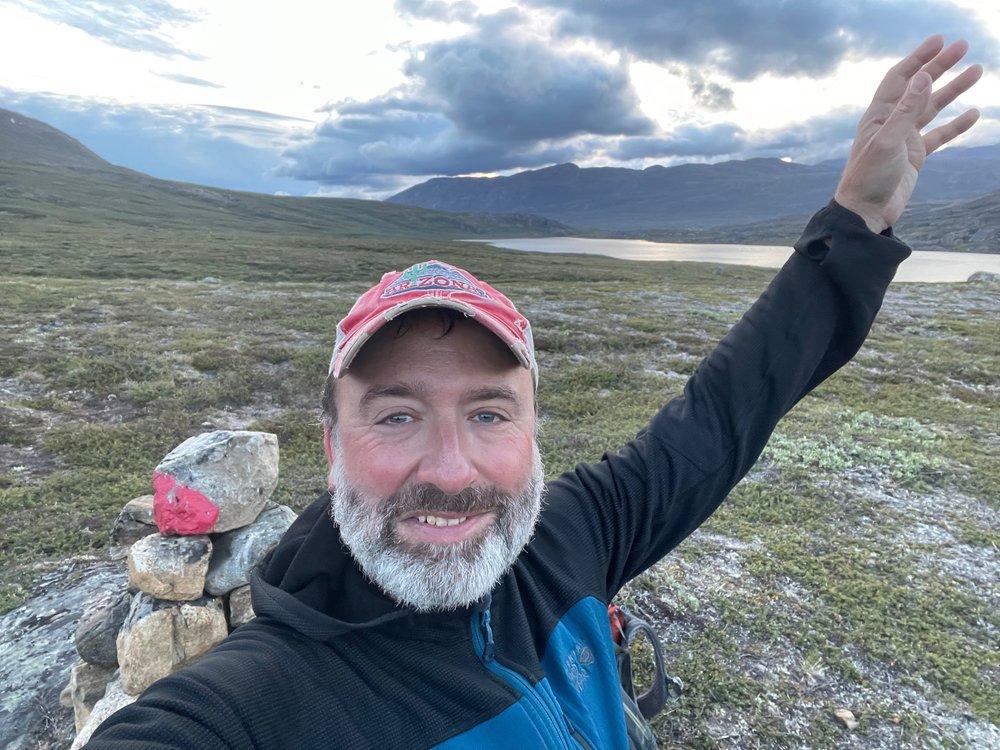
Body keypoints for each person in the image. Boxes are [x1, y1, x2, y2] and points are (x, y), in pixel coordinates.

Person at [85, 35, 982, 748]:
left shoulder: (569, 537)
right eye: (397, 413)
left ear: (533, 432)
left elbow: (726, 409)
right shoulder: (259, 706)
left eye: (488, 412)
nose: (451, 467)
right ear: (331, 448)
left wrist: (857, 225)